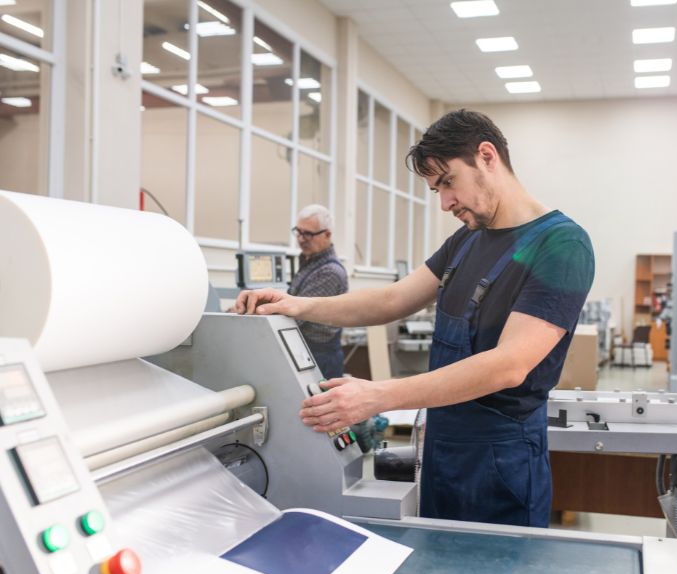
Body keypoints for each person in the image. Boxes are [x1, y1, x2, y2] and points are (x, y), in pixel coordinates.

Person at [234, 109, 595, 528]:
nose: (445, 203)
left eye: (447, 182)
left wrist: (378, 395)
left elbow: (509, 365)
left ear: (486, 156)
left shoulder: (561, 245)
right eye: (435, 189)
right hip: (442, 448)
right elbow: (393, 299)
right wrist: (296, 304)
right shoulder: (466, 240)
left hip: (501, 461)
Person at [287, 204, 348, 379]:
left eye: (308, 234)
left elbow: (297, 315)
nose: (301, 238)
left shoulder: (329, 272)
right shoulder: (308, 262)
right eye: (298, 231)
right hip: (306, 352)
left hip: (320, 358)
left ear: (327, 234)